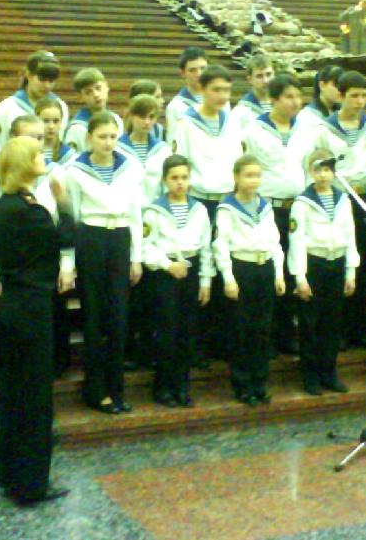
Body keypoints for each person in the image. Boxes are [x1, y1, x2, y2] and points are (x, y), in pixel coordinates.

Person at [0, 136, 74, 507]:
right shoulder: (31, 210)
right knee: (35, 398)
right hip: (33, 307)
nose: (43, 157)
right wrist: (63, 203)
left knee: (14, 393)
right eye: (38, 154)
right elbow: (67, 237)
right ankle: (31, 485)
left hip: (13, 303)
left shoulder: (5, 205)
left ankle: (11, 475)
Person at [62, 111, 144, 414]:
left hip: (120, 237)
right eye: (101, 137)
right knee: (94, 317)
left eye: (112, 137)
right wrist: (69, 261)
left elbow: (136, 214)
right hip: (91, 238)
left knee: (119, 318)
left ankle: (116, 388)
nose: (108, 143)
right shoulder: (74, 170)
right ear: (89, 138)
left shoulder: (130, 167)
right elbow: (71, 217)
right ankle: (95, 390)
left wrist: (136, 256)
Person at [171, 64, 243, 365]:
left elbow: (238, 161)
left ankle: (222, 343)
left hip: (227, 202)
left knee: (227, 267)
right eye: (216, 89)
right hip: (199, 202)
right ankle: (197, 347)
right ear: (201, 89)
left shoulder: (232, 121)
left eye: (226, 90)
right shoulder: (186, 123)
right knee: (203, 271)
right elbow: (180, 164)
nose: (222, 96)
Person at [242, 72, 311, 355]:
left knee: (295, 269)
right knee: (271, 272)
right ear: (273, 99)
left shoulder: (306, 128)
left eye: (298, 96)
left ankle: (287, 333)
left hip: (297, 209)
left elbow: (308, 167)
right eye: (289, 97)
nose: (295, 102)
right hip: (267, 210)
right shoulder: (253, 130)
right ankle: (266, 337)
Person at [314, 71, 366, 349]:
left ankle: (360, 330)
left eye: (364, 95)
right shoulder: (324, 129)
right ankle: (338, 331)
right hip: (339, 199)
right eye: (354, 95)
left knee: (364, 265)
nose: (360, 101)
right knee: (341, 265)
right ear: (340, 96)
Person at [213, 154, 286, 405]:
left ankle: (259, 382)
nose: (253, 180)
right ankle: (242, 385)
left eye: (257, 175)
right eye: (248, 175)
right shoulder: (227, 208)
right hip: (241, 269)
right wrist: (228, 278)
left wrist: (278, 273)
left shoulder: (265, 206)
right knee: (241, 330)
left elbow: (275, 242)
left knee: (262, 329)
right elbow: (221, 245)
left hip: (264, 268)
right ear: (236, 177)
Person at [141, 154, 214, 407]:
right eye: (174, 178)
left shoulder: (199, 209)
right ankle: (163, 387)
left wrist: (205, 281)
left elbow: (206, 248)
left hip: (191, 272)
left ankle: (182, 387)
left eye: (184, 177)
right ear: (165, 180)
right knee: (167, 332)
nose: (180, 182)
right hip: (166, 273)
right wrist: (167, 265)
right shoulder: (154, 210)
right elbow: (146, 246)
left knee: (186, 332)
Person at [10, 113, 77, 378]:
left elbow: (66, 221)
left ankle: (57, 367)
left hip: (51, 259)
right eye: (29, 137)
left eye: (40, 138)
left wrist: (67, 264)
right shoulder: (1, 176)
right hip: (19, 264)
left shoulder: (55, 173)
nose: (37, 143)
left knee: (55, 317)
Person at [289, 149, 359, 395]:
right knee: (310, 324)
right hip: (313, 264)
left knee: (332, 322)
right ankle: (310, 376)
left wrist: (350, 271)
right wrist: (300, 277)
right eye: (318, 170)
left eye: (328, 170)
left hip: (337, 263)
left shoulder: (343, 200)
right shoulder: (302, 203)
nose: (323, 175)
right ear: (310, 172)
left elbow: (350, 235)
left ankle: (329, 373)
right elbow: (297, 240)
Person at [119, 94, 172, 370]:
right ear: (131, 115)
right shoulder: (118, 147)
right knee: (131, 289)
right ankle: (129, 349)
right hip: (127, 221)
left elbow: (165, 187)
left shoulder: (162, 149)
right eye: (142, 116)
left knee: (153, 289)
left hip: (155, 221)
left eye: (152, 116)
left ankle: (150, 349)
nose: (147, 122)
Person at [0, 51, 68, 147]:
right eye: (42, 79)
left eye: (51, 80)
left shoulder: (61, 106)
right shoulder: (7, 108)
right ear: (28, 75)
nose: (47, 86)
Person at [63, 68, 124, 153]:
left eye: (98, 88)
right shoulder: (77, 129)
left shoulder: (116, 120)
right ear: (81, 97)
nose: (96, 95)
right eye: (88, 92)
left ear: (107, 87)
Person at [164, 46, 209, 141]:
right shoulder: (176, 107)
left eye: (203, 68)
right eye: (192, 70)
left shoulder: (221, 101)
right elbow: (174, 142)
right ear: (183, 73)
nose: (199, 74)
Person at [230, 54, 275, 132]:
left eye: (268, 74)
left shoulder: (282, 106)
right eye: (259, 76)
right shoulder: (240, 112)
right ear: (250, 80)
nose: (265, 81)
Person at [295, 65, 342, 132]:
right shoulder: (307, 115)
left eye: (342, 86)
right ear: (322, 85)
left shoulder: (343, 112)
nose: (340, 90)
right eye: (336, 85)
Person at [35, 96, 76, 167]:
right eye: (46, 121)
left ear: (61, 122)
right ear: (36, 120)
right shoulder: (28, 152)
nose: (51, 126)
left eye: (56, 121)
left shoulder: (70, 156)